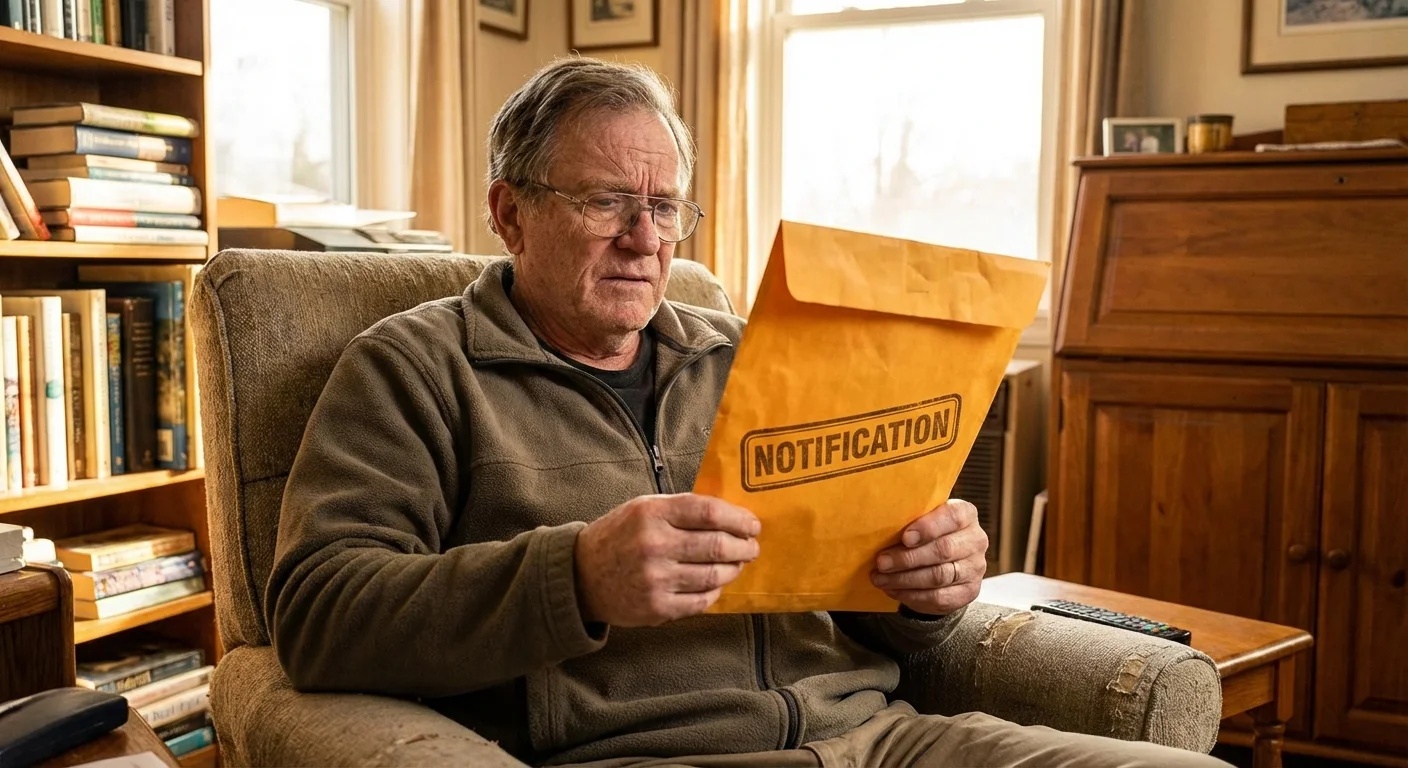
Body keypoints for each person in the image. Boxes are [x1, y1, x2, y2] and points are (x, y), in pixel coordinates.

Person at [266, 57, 1227, 768]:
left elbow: (874, 609)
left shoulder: (755, 354)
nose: (646, 239)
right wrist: (577, 578)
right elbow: (314, 619)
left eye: (666, 207)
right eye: (607, 201)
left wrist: (926, 590)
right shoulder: (415, 368)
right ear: (508, 212)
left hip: (882, 743)